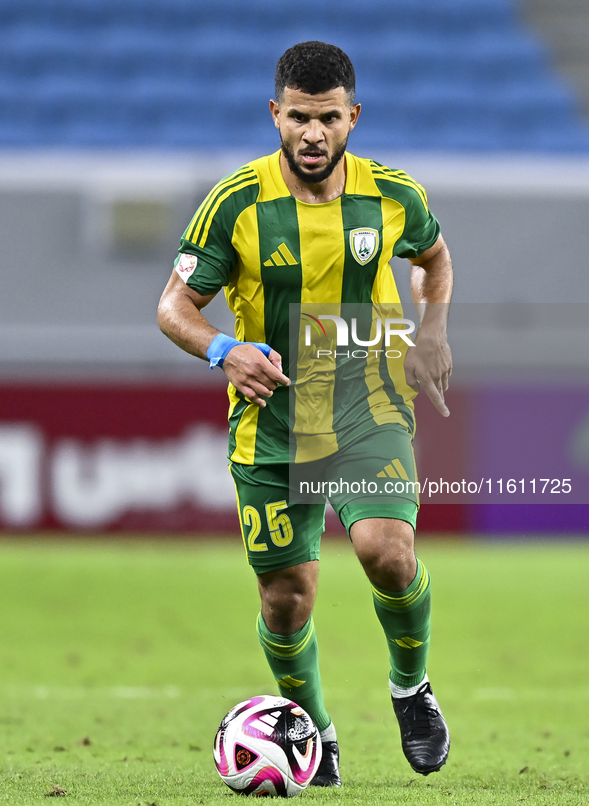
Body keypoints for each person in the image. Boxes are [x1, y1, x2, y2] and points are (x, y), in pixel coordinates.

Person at [158, 41, 452, 786]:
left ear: (352, 117)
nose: (311, 133)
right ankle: (313, 734)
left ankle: (410, 688)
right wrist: (223, 347)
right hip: (276, 421)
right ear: (275, 114)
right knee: (286, 600)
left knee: (387, 552)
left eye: (326, 118)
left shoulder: (393, 195)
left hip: (365, 401)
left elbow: (434, 259)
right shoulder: (235, 203)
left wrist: (433, 329)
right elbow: (172, 308)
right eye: (297, 118)